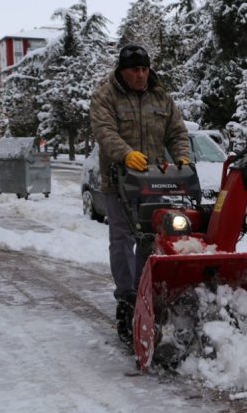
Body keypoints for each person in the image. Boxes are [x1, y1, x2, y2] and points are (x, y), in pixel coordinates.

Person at [89, 44, 190, 345]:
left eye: (145, 69)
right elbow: (105, 132)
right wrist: (125, 154)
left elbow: (177, 132)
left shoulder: (161, 96)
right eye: (135, 70)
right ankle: (127, 298)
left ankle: (146, 288)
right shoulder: (105, 96)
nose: (141, 75)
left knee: (152, 237)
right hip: (120, 181)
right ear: (122, 71)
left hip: (156, 182)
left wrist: (182, 157)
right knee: (122, 239)